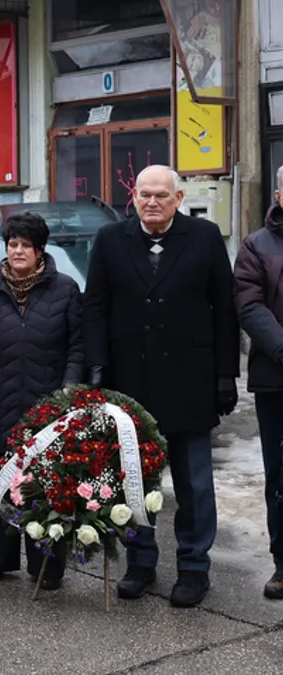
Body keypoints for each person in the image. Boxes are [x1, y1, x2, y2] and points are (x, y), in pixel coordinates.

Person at [85, 164, 239, 608]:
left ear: (177, 198)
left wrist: (226, 375)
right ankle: (141, 562)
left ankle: (193, 567)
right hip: (130, 380)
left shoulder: (205, 237)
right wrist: (97, 366)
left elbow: (224, 309)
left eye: (160, 195)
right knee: (135, 478)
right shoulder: (111, 240)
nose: (151, 201)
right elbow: (94, 307)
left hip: (190, 379)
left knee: (194, 482)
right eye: (143, 194)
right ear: (132, 198)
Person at [0, 212, 84, 589]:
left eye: (24, 245)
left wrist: (69, 392)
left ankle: (46, 564)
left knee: (44, 487)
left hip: (46, 410)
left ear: (40, 250)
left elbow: (78, 348)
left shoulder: (64, 290)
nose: (17, 251)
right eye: (12, 244)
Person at [235, 165, 283, 601]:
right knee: (281, 477)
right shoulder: (257, 244)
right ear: (279, 194)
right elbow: (248, 305)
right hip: (277, 380)